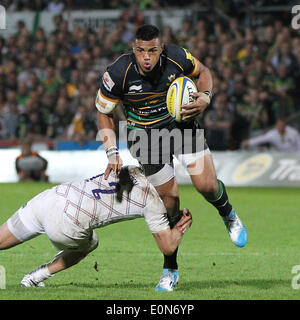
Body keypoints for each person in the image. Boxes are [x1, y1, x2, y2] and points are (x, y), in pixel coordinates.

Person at [96, 24, 247, 292]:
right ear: (134, 49)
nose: (146, 57)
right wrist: (111, 151)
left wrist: (205, 97)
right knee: (169, 200)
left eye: (152, 51)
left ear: (161, 49)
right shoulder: (118, 72)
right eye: (141, 51)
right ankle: (170, 269)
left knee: (207, 186)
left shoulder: (177, 56)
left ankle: (228, 214)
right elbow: (103, 112)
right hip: (145, 137)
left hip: (182, 126)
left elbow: (204, 72)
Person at [0, 166, 192, 287]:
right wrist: (181, 227)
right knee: (91, 243)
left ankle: (32, 280)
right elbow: (168, 246)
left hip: (52, 196)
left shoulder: (131, 169)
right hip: (66, 222)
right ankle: (35, 277)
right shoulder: (153, 202)